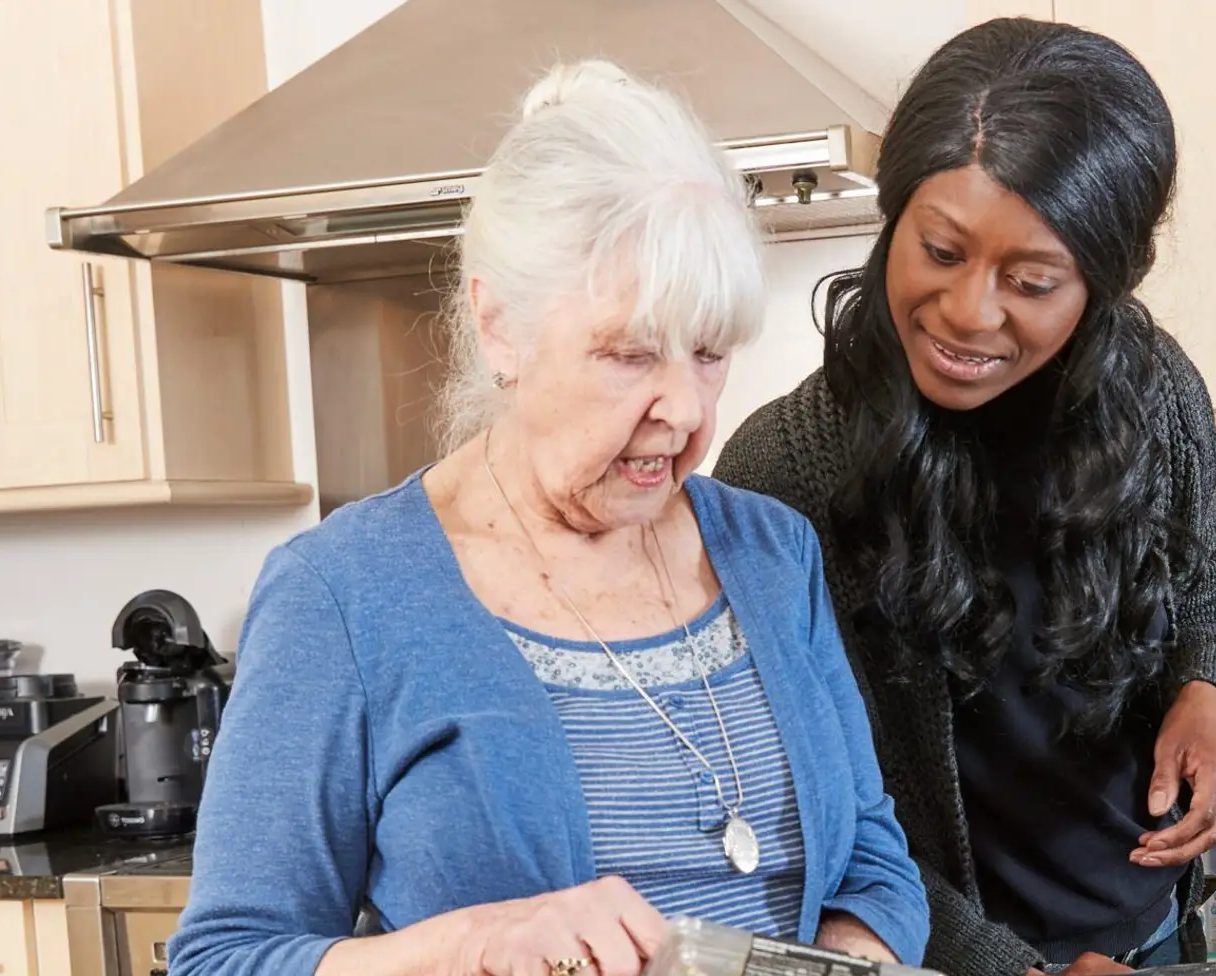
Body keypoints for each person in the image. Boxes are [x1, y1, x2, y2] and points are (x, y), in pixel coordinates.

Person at [168, 60, 929, 976]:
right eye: (630, 354)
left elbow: (873, 862)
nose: (684, 408)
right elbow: (224, 957)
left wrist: (841, 963)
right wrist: (469, 946)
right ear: (500, 327)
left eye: (707, 352)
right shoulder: (342, 594)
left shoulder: (772, 551)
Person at [714, 17, 1216, 976]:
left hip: (1155, 936)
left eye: (1032, 281)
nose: (969, 313)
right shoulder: (783, 475)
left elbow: (1207, 581)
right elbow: (811, 810)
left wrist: (1204, 693)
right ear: (893, 219)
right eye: (940, 250)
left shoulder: (1157, 393)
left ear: (1104, 283)